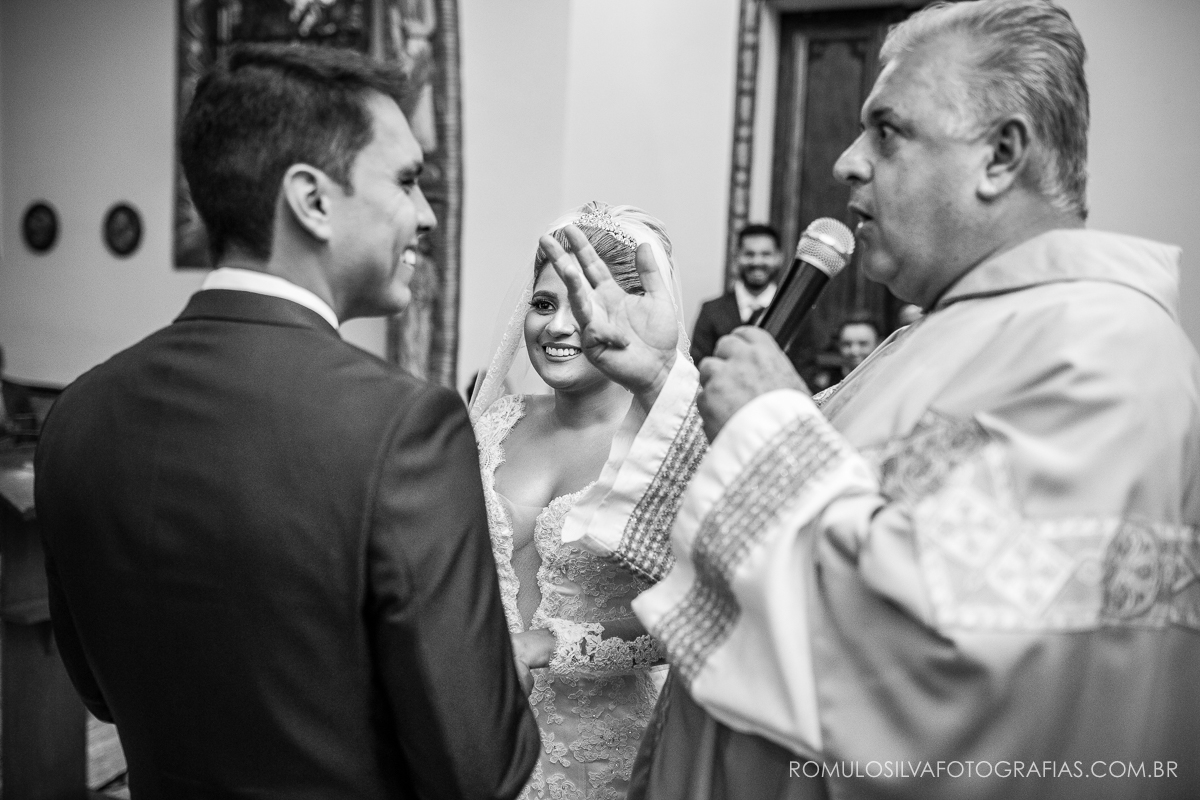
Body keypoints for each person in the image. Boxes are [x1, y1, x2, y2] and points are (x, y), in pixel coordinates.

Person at [541, 1, 1200, 798]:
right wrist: (657, 375)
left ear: (1000, 154)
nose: (848, 163)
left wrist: (773, 427)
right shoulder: (950, 332)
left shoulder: (1098, 350)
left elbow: (954, 657)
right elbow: (815, 506)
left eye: (887, 131)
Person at [35, 43, 538, 799]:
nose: (427, 215)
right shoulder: (405, 428)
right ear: (312, 200)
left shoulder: (79, 412)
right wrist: (509, 670)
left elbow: (100, 690)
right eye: (406, 181)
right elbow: (480, 769)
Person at [469, 202, 688, 800]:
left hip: (601, 756)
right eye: (544, 304)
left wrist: (554, 644)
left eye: (584, 303)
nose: (558, 327)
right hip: (478, 735)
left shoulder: (666, 445)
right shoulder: (495, 424)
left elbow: (704, 608)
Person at [689, 223, 783, 363]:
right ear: (736, 257)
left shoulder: (796, 310)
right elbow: (698, 366)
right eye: (749, 254)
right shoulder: (711, 311)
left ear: (779, 257)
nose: (757, 261)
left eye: (766, 254)